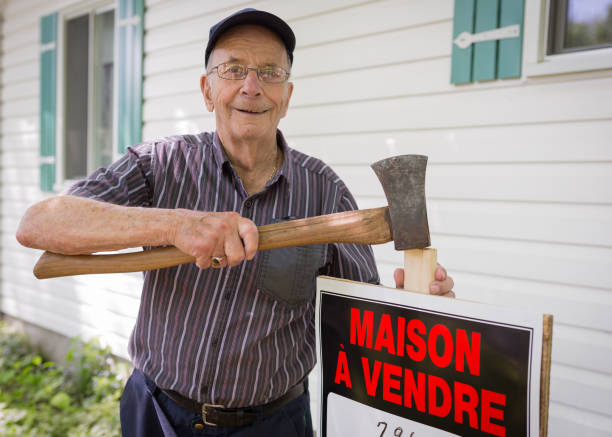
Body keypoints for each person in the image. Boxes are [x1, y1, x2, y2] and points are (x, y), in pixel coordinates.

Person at [16, 8, 454, 437]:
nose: (252, 86)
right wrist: (175, 226)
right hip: (157, 412)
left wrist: (416, 304)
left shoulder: (325, 192)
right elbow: (40, 224)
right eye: (233, 70)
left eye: (269, 72)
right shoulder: (160, 164)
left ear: (286, 96)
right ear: (207, 91)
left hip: (274, 423)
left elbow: (361, 323)